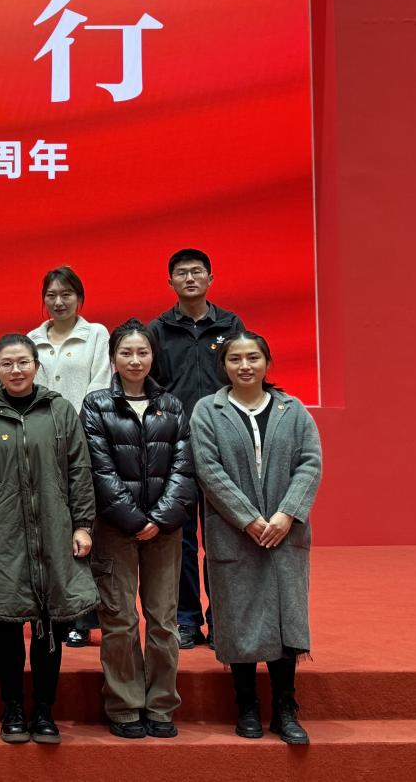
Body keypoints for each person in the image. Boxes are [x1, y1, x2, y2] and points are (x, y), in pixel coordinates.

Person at [0, 333, 97, 745]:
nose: (16, 370)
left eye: (23, 362)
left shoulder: (59, 410)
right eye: (7, 364)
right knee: (7, 621)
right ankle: (13, 708)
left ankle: (44, 709)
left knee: (49, 622)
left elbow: (79, 469)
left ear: (36, 366)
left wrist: (83, 524)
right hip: (3, 533)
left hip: (54, 528)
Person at [191, 332, 321, 746]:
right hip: (234, 533)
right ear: (224, 365)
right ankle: (246, 704)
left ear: (267, 362)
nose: (245, 366)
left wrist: (286, 514)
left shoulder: (293, 410)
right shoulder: (207, 411)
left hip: (285, 532)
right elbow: (208, 469)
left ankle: (285, 708)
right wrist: (248, 519)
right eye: (235, 359)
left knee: (285, 618)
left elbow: (310, 463)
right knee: (238, 617)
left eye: (253, 358)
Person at [81, 320, 196, 739]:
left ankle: (162, 704)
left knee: (163, 620)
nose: (134, 360)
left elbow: (185, 467)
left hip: (164, 531)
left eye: (142, 352)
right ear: (113, 358)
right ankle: (125, 704)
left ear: (152, 356)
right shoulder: (96, 405)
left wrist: (159, 519)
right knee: (120, 620)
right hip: (114, 528)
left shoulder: (172, 405)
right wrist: (134, 518)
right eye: (126, 353)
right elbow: (99, 470)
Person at [149, 248, 245, 650]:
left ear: (210, 278)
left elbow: (244, 373)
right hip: (177, 448)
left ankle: (222, 619)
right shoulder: (158, 330)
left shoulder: (230, 325)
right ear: (170, 281)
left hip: (223, 445)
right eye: (182, 273)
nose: (190, 278)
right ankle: (186, 619)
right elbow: (151, 387)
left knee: (223, 536)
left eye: (197, 272)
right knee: (182, 540)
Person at [27, 265, 110, 648]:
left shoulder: (96, 335)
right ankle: (53, 610)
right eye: (51, 295)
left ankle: (84, 614)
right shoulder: (33, 339)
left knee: (83, 526)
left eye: (66, 294)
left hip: (85, 444)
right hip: (41, 447)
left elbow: (100, 385)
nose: (58, 302)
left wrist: (74, 431)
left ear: (80, 297)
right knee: (49, 528)